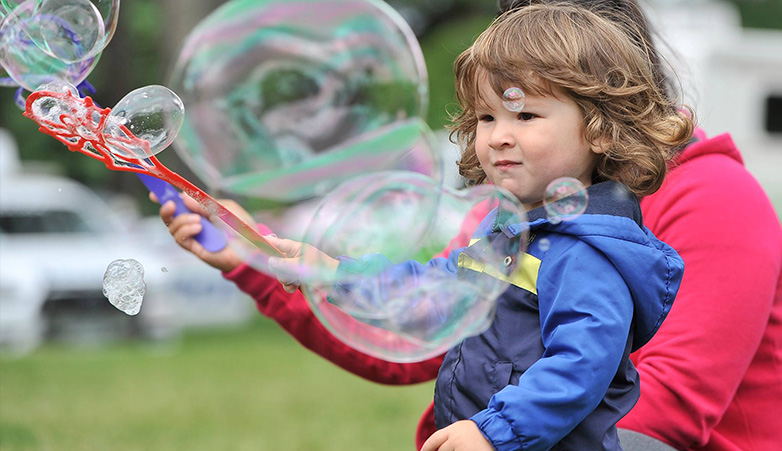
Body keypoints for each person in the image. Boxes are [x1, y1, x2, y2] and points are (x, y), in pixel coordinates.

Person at [159, 1, 782, 450]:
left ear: (602, 115)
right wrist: (297, 266)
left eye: (526, 111)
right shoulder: (520, 224)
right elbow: (431, 304)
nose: (499, 136)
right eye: (485, 116)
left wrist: (493, 432)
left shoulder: (603, 243)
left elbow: (618, 385)